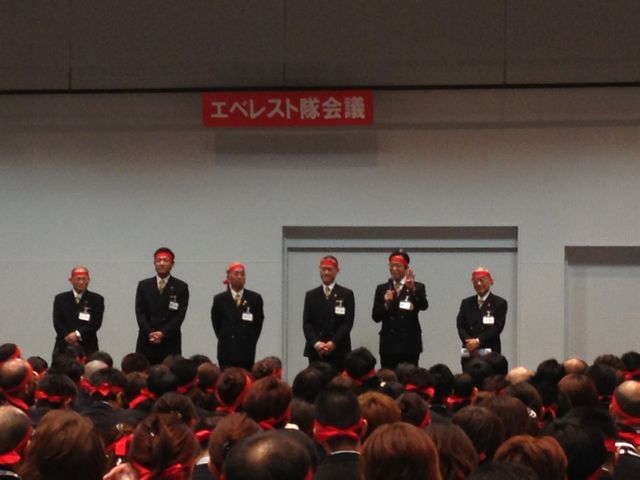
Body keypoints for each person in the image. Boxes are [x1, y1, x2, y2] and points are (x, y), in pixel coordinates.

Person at [371, 250, 429, 369]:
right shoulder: (382, 288)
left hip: (409, 344)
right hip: (388, 345)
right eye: (391, 266)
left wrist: (413, 290)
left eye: (398, 266)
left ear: (406, 268)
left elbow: (424, 306)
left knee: (409, 377)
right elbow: (375, 317)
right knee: (388, 377)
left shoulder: (417, 287)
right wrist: (386, 304)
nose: (394, 269)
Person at [135, 247, 189, 365]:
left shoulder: (181, 286)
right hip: (147, 339)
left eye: (165, 260)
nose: (162, 263)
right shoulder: (144, 285)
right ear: (154, 263)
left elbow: (179, 315)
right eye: (158, 260)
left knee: (171, 372)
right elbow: (140, 312)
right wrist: (150, 332)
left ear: (172, 264)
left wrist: (162, 333)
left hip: (170, 340)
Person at [303, 255, 355, 373]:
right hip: (316, 350)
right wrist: (316, 343)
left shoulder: (346, 294)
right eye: (323, 269)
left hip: (338, 349)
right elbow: (307, 323)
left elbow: (347, 323)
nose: (326, 272)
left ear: (337, 270)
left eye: (329, 269)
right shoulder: (311, 295)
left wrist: (333, 342)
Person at [211, 262, 264, 370]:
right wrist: (225, 337)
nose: (240, 277)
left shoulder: (255, 298)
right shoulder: (220, 299)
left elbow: (258, 323)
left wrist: (250, 340)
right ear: (228, 277)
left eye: (242, 274)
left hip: (246, 351)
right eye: (236, 274)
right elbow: (216, 323)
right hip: (226, 351)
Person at [456, 267, 507, 367]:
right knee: (467, 374)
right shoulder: (466, 302)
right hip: (469, 349)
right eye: (475, 281)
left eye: (482, 280)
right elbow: (460, 325)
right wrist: (468, 341)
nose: (478, 284)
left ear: (490, 281)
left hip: (489, 349)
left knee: (489, 374)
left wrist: (478, 341)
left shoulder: (499, 302)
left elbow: (497, 327)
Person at [52, 266, 104, 359]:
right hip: (64, 344)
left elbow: (95, 323)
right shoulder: (60, 298)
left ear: (88, 280)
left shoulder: (96, 299)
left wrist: (77, 334)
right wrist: (67, 336)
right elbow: (57, 322)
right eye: (78, 279)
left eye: (84, 279)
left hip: (88, 345)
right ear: (71, 280)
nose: (81, 282)